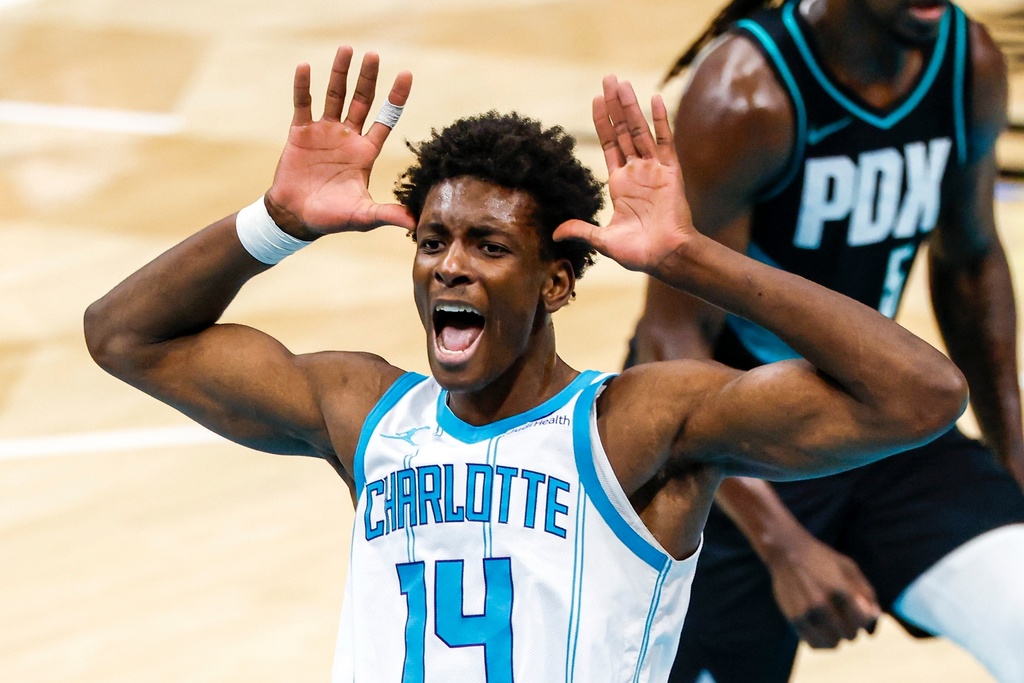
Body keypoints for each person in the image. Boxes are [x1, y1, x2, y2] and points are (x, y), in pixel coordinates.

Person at [83, 45, 967, 682]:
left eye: (487, 244)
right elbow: (124, 335)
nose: (450, 264)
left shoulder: (635, 426)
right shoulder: (362, 412)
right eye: (431, 240)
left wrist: (690, 259)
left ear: (554, 282)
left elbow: (920, 395)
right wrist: (274, 221)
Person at [626, 0, 1024, 680]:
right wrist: (784, 545)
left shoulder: (968, 65)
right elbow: (666, 338)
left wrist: (1013, 459)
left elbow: (970, 263)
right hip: (726, 455)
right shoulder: (745, 99)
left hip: (880, 425)